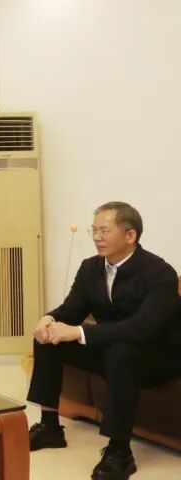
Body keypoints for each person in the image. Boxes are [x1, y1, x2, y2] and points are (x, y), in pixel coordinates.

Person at [26, 202, 181, 480]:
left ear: (130, 235)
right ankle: (49, 426)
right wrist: (48, 319)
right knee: (49, 339)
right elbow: (71, 310)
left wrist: (80, 332)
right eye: (94, 230)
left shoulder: (159, 273)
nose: (97, 237)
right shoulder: (91, 268)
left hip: (157, 356)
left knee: (122, 353)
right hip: (110, 347)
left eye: (105, 231)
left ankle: (119, 451)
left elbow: (142, 329)